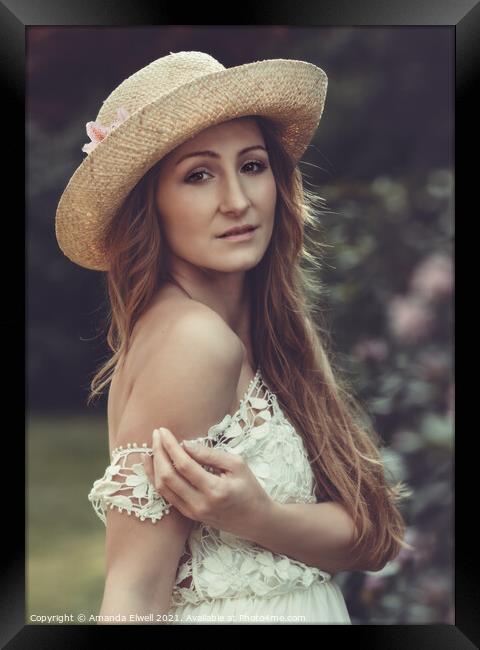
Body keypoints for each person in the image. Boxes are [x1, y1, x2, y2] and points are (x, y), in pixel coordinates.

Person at [55, 51, 412, 625]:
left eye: (251, 165)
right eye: (198, 174)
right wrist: (257, 517)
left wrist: (258, 516)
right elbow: (133, 593)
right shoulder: (194, 345)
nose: (238, 201)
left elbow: (374, 536)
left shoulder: (269, 334)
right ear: (150, 206)